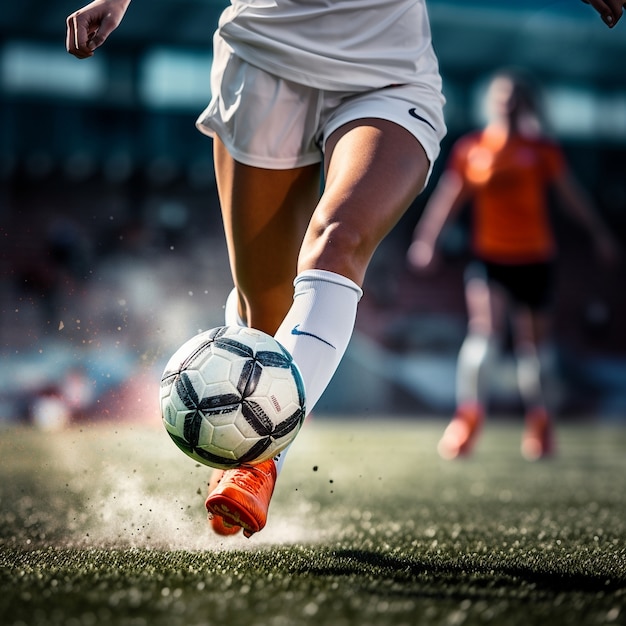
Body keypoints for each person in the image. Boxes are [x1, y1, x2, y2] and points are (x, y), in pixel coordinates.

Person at [66, 0, 447, 537]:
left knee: (337, 240)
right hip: (265, 58)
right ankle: (244, 447)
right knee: (265, 312)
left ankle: (257, 463)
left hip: (387, 73)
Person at [407, 68, 620, 461]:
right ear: (493, 101)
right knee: (484, 332)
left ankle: (540, 424)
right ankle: (467, 421)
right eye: (502, 96)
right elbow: (449, 197)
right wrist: (427, 239)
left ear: (525, 103)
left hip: (535, 258)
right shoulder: (473, 148)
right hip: (490, 257)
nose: (508, 103)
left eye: (515, 96)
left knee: (534, 348)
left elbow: (571, 197)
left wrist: (599, 233)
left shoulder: (542, 151)